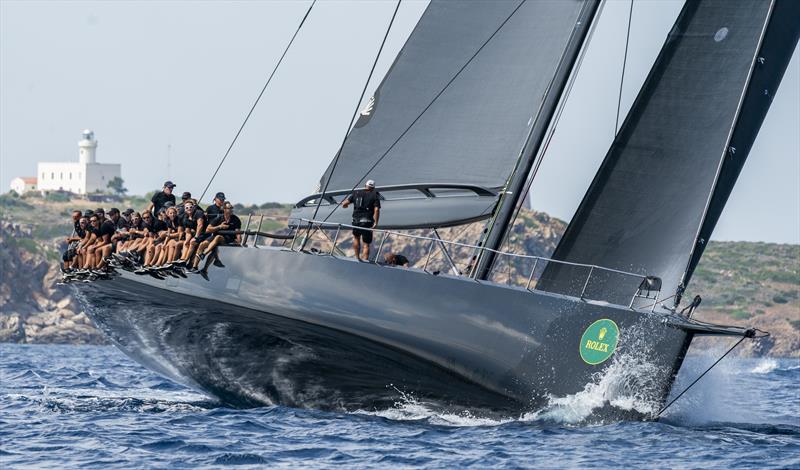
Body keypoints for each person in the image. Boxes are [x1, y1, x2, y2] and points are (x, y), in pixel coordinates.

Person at [342, 180, 381, 261]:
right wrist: (376, 222)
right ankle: (365, 261)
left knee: (356, 238)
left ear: (365, 185)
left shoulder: (356, 193)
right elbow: (376, 210)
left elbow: (344, 204)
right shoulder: (375, 196)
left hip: (356, 221)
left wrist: (345, 206)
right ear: (373, 188)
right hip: (367, 222)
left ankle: (357, 258)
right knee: (366, 244)